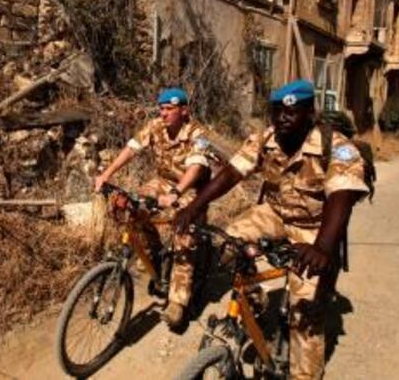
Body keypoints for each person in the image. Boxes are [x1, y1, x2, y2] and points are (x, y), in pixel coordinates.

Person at [174, 79, 369, 380]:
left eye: (292, 112)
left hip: (315, 227)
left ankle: (305, 375)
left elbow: (341, 198)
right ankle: (254, 297)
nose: (283, 118)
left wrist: (323, 248)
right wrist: (195, 205)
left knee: (305, 313)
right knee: (226, 244)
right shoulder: (266, 138)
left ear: (310, 113)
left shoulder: (338, 147)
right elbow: (231, 172)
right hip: (275, 212)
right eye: (277, 112)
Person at [94, 87, 212, 330]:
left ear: (184, 110)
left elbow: (197, 167)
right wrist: (106, 174)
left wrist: (176, 193)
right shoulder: (156, 126)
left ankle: (178, 301)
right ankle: (156, 255)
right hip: (163, 182)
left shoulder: (197, 133)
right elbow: (132, 148)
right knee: (134, 208)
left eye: (169, 109)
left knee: (183, 234)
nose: (164, 113)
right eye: (161, 108)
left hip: (191, 189)